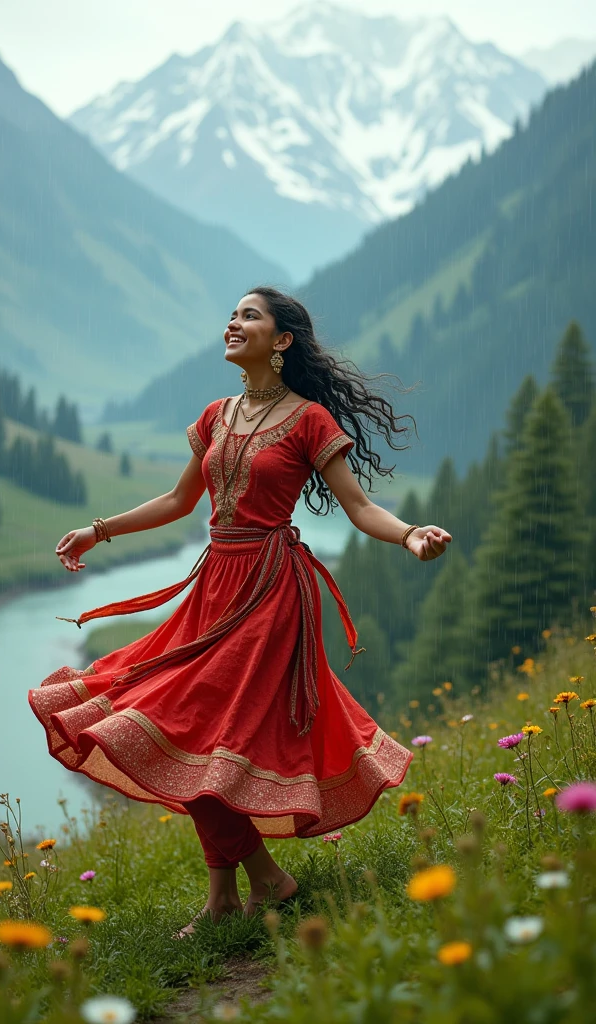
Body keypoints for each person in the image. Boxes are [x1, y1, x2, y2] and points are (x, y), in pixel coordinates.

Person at [29, 286, 452, 940]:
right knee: (192, 733)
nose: (233, 323)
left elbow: (360, 508)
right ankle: (227, 895)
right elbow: (177, 502)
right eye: (232, 315)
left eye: (249, 316)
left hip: (268, 592)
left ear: (282, 341)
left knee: (208, 737)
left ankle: (265, 881)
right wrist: (97, 530)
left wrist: (409, 535)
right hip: (212, 587)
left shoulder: (310, 421)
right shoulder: (216, 415)